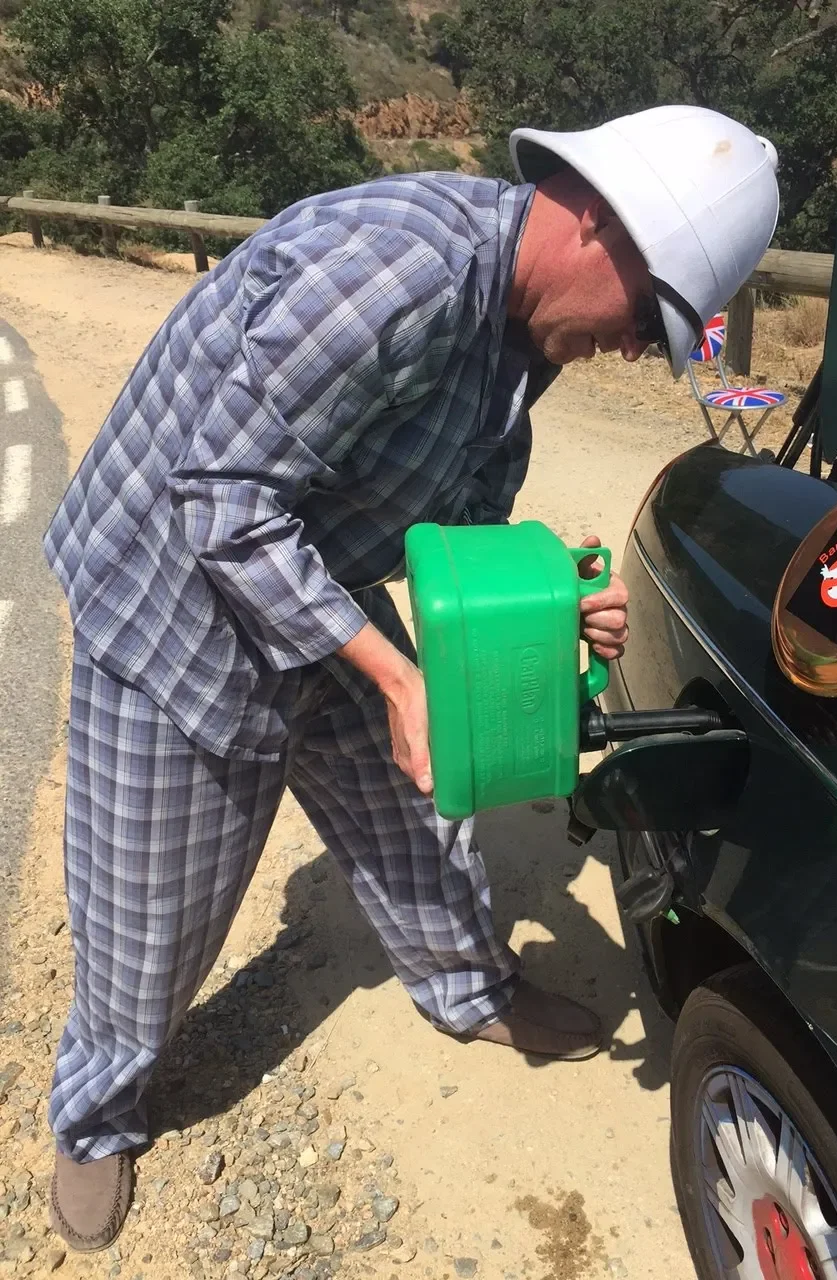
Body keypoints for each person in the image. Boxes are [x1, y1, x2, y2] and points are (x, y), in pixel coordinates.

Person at [42, 104, 779, 1251]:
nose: (641, 347)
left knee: (418, 813)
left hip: (314, 573)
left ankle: (469, 987)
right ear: (598, 225)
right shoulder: (401, 272)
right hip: (171, 589)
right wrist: (395, 675)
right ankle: (97, 1109)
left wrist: (542, 609)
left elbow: (456, 533)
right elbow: (221, 503)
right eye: (652, 315)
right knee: (153, 908)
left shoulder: (518, 351)